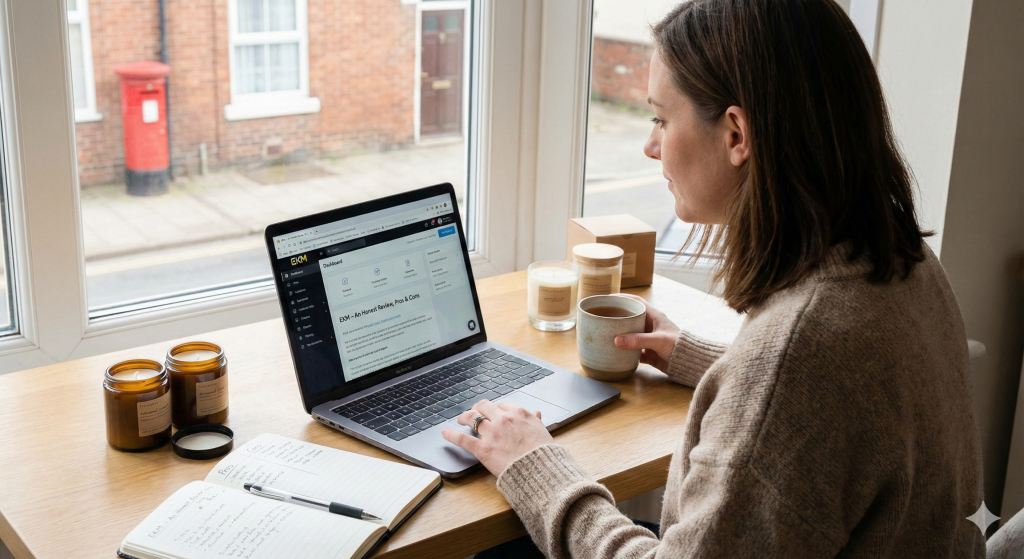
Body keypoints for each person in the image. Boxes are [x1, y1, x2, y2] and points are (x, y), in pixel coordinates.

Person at [442, 0, 986, 556]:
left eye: (660, 118)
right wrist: (717, 366)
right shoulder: (899, 254)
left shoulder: (798, 355)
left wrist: (536, 465)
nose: (650, 145)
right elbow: (826, 413)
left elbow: (791, 384)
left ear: (735, 135)